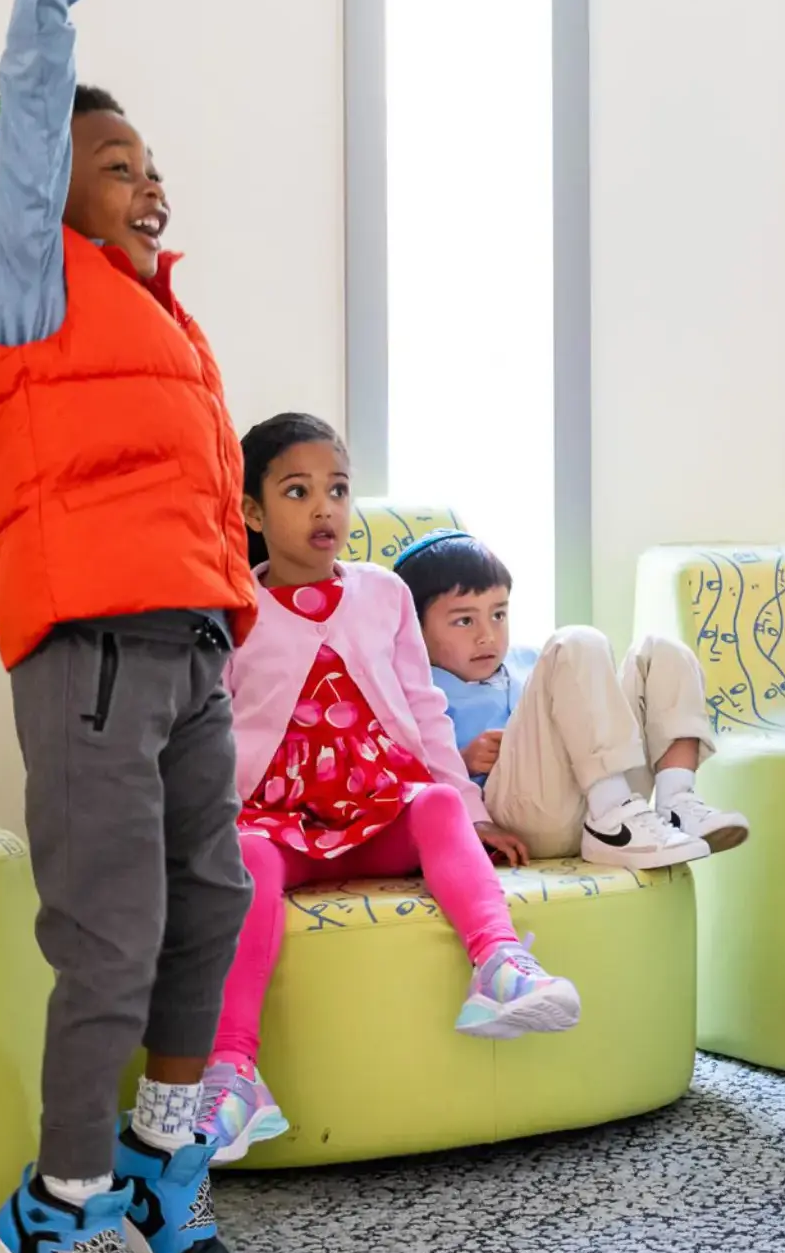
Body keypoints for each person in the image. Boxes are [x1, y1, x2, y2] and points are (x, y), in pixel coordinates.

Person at [0, 0, 247, 1253]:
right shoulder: (18, 281)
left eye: (152, 164)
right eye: (114, 162)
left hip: (184, 651)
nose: (150, 184)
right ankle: (57, 1202)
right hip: (89, 657)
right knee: (112, 930)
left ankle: (156, 1149)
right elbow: (33, 101)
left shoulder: (161, 320)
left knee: (215, 895)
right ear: (42, 179)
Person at [195, 416, 581, 1165]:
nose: (324, 510)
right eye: (298, 492)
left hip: (379, 805)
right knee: (244, 859)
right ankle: (233, 1072)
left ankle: (500, 965)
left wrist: (467, 812)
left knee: (434, 804)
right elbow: (207, 724)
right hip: (279, 817)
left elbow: (424, 706)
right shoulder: (233, 604)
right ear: (251, 511)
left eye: (337, 490)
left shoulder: (383, 593)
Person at [394, 528, 745, 867]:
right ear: (414, 629)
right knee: (576, 640)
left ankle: (676, 802)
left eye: (498, 614)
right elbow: (397, 783)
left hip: (594, 802)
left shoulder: (533, 663)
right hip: (518, 816)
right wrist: (463, 761)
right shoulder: (414, 689)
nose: (488, 636)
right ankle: (612, 820)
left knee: (661, 651)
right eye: (464, 621)